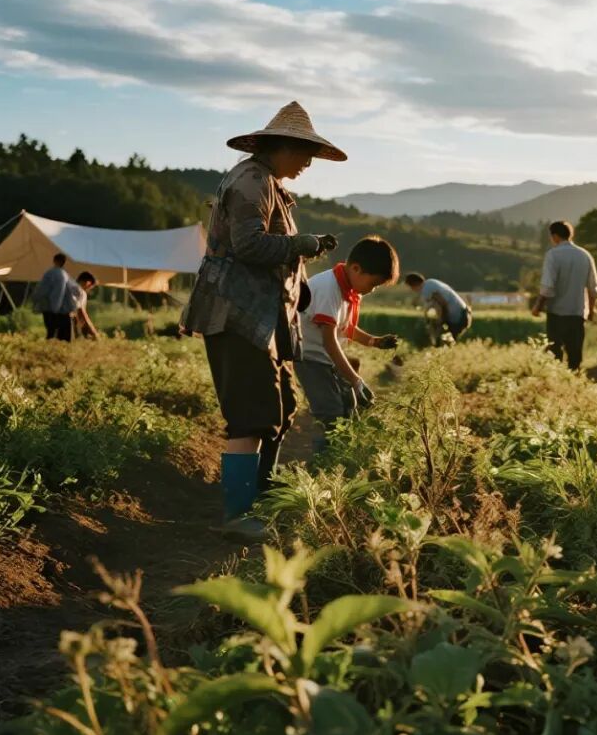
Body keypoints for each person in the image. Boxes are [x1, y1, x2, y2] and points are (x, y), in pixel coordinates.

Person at [181, 101, 345, 539]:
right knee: (252, 416)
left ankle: (260, 499)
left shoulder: (266, 183)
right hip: (237, 313)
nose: (309, 162)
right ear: (282, 146)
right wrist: (302, 244)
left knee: (280, 409)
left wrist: (299, 275)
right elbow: (250, 246)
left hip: (259, 316)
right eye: (305, 152)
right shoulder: (252, 182)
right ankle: (238, 515)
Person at [295, 236, 401, 449]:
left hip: (327, 359)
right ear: (356, 268)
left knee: (349, 406)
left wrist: (375, 342)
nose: (372, 290)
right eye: (373, 283)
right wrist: (355, 380)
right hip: (310, 359)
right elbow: (329, 341)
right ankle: (323, 464)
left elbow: (346, 328)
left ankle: (340, 458)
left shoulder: (350, 289)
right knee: (331, 413)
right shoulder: (328, 289)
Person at [531, 220, 597, 371]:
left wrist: (538, 306)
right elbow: (593, 288)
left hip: (556, 313)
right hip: (577, 313)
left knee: (555, 352)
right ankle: (573, 382)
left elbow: (548, 287)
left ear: (555, 236)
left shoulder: (553, 255)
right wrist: (591, 311)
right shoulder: (585, 255)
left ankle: (557, 384)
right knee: (575, 355)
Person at [403, 273, 472, 345]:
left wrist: (441, 321)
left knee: (446, 342)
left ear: (414, 284)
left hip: (458, 318)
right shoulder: (430, 282)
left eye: (410, 287)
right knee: (448, 341)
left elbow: (442, 303)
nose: (412, 290)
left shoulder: (426, 290)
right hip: (464, 313)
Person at [32, 252, 73, 341]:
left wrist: (35, 300)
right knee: (62, 336)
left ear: (54, 261)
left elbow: (42, 290)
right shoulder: (65, 275)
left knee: (51, 333)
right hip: (61, 310)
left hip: (50, 308)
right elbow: (65, 292)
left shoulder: (50, 273)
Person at [66, 271, 100, 340]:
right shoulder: (81, 291)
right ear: (88, 283)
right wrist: (94, 332)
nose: (89, 289)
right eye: (90, 287)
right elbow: (82, 313)